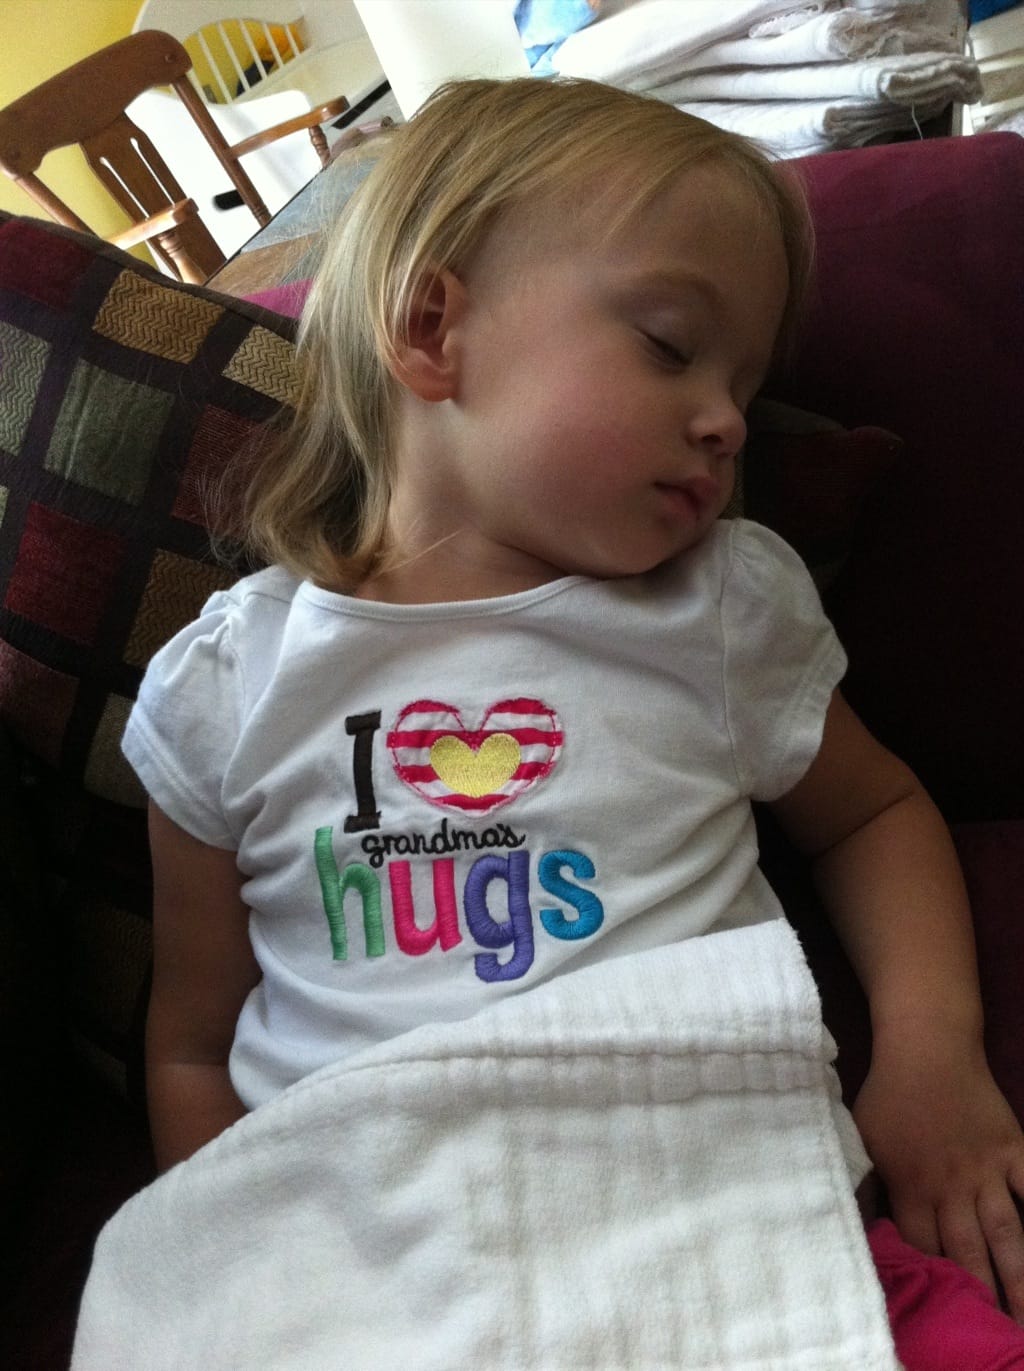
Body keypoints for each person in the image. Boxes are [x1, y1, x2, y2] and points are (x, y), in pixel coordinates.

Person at [123, 76, 1024, 1361]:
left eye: (744, 382)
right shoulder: (228, 686)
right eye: (668, 345)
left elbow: (873, 812)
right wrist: (234, 1273)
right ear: (432, 327)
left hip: (744, 1244)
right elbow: (192, 1046)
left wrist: (932, 1057)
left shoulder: (714, 610)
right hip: (395, 1298)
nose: (726, 420)